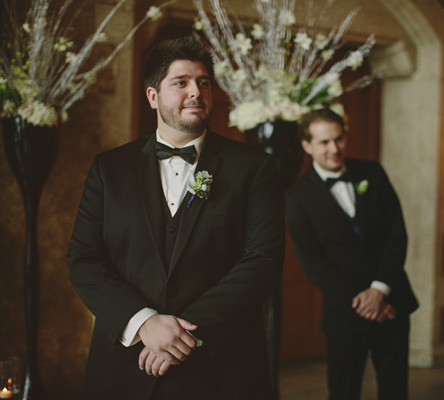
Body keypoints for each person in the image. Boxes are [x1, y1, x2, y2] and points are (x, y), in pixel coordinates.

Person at [67, 36, 285, 400]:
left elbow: (262, 261)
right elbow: (84, 259)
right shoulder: (109, 169)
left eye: (203, 82)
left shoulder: (253, 168)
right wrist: (144, 323)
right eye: (180, 82)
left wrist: (183, 335)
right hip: (126, 365)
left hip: (223, 366)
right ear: (153, 96)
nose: (196, 92)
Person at [285, 109, 418, 400]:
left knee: (396, 390)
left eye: (339, 139)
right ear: (307, 146)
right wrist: (365, 301)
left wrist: (380, 290)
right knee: (344, 391)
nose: (334, 149)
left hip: (392, 300)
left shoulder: (373, 173)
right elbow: (314, 264)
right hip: (345, 311)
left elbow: (397, 235)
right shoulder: (297, 197)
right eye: (324, 143)